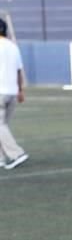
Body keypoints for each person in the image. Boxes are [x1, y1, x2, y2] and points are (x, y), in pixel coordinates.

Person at [0, 17, 28, 170]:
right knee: (2, 125)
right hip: (11, 92)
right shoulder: (13, 47)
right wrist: (20, 90)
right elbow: (19, 71)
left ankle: (16, 154)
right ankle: (1, 158)